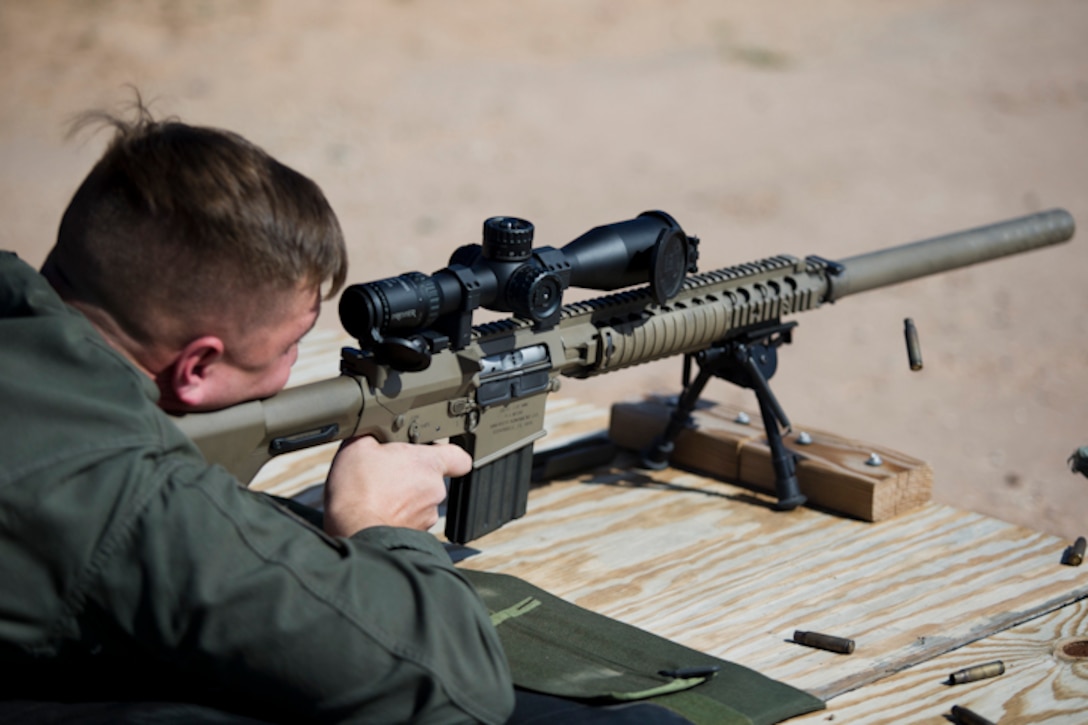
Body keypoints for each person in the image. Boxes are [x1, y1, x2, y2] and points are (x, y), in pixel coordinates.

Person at [0, 101, 516, 723]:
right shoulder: (122, 493)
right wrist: (379, 522)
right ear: (195, 369)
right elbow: (456, 683)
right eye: (289, 347)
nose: (296, 365)